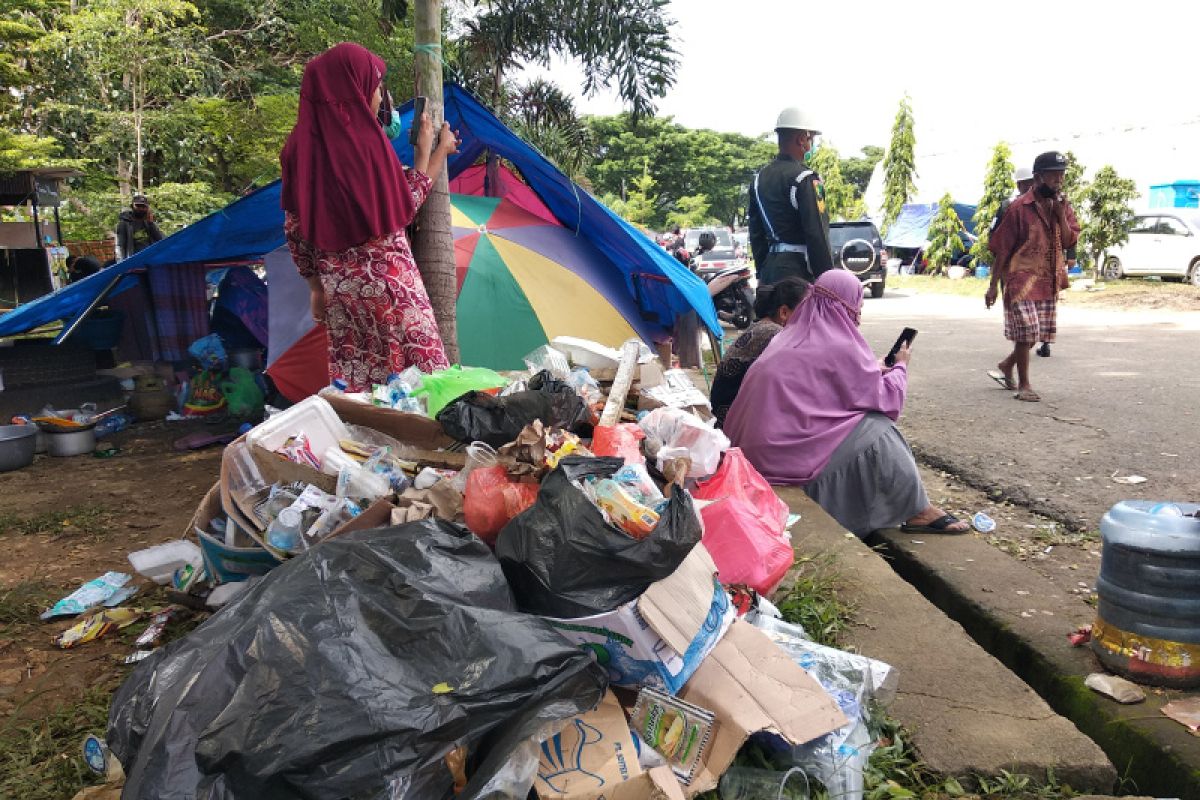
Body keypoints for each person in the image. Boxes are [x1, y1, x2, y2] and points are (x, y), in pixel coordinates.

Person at [724, 270, 969, 537]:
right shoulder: (840, 343)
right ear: (843, 307)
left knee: (856, 425)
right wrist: (900, 367)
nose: (858, 317)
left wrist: (873, 370)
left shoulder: (790, 336)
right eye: (856, 308)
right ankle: (919, 510)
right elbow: (886, 401)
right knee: (879, 429)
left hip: (755, 455)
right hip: (781, 462)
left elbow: (824, 389)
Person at [280, 42, 459, 392]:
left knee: (365, 396)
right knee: (426, 390)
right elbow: (404, 205)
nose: (379, 97)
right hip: (393, 291)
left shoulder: (297, 149)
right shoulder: (366, 143)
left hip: (343, 301)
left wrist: (315, 288)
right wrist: (434, 151)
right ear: (354, 85)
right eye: (376, 86)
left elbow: (295, 228)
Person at [986, 151, 1079, 402]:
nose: (1058, 181)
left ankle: (1007, 365)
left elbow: (1070, 239)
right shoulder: (1018, 208)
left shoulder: (1063, 206)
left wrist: (1060, 213)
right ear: (1038, 177)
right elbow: (1002, 248)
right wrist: (993, 286)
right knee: (1027, 333)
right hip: (1020, 279)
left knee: (1038, 334)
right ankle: (1024, 385)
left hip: (1048, 280)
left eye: (1061, 176)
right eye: (1053, 176)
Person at [747, 107, 833, 286]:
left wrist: (762, 272)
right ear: (802, 139)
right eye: (811, 138)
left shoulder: (759, 179)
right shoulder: (806, 178)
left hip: (770, 269)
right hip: (799, 271)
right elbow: (817, 234)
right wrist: (826, 279)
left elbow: (756, 234)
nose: (812, 144)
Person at [709, 277, 808, 426]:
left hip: (725, 414)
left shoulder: (763, 326)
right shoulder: (774, 333)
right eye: (807, 312)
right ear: (784, 312)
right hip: (732, 422)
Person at [116, 194, 164, 260]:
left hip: (150, 258)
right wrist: (123, 264)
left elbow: (160, 239)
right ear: (132, 206)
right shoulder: (124, 223)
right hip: (134, 260)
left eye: (143, 206)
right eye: (138, 206)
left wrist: (151, 223)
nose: (141, 209)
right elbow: (120, 245)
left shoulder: (148, 222)